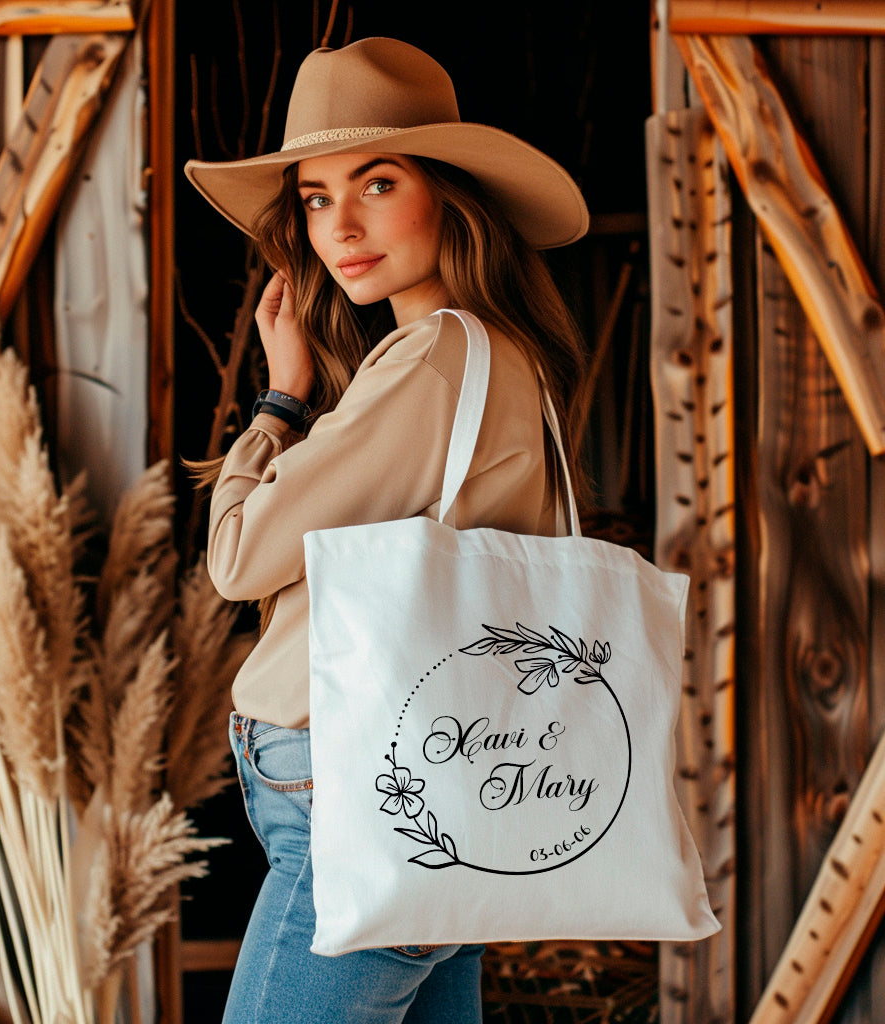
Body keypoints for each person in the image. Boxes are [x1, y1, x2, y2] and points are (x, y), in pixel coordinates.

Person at [184, 36, 591, 1024]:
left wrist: (278, 403)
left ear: (447, 191)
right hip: (436, 790)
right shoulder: (504, 357)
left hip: (365, 793)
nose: (338, 226)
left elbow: (237, 557)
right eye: (317, 198)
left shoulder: (430, 363)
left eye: (376, 183)